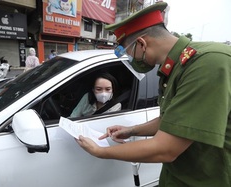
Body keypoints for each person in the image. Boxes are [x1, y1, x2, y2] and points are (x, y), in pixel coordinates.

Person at [76, 2, 231, 186]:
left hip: (206, 180)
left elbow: (165, 149)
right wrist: (131, 131)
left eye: (130, 54)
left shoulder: (207, 64)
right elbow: (173, 121)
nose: (132, 61)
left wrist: (100, 152)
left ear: (141, 43)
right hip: (175, 177)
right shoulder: (172, 69)